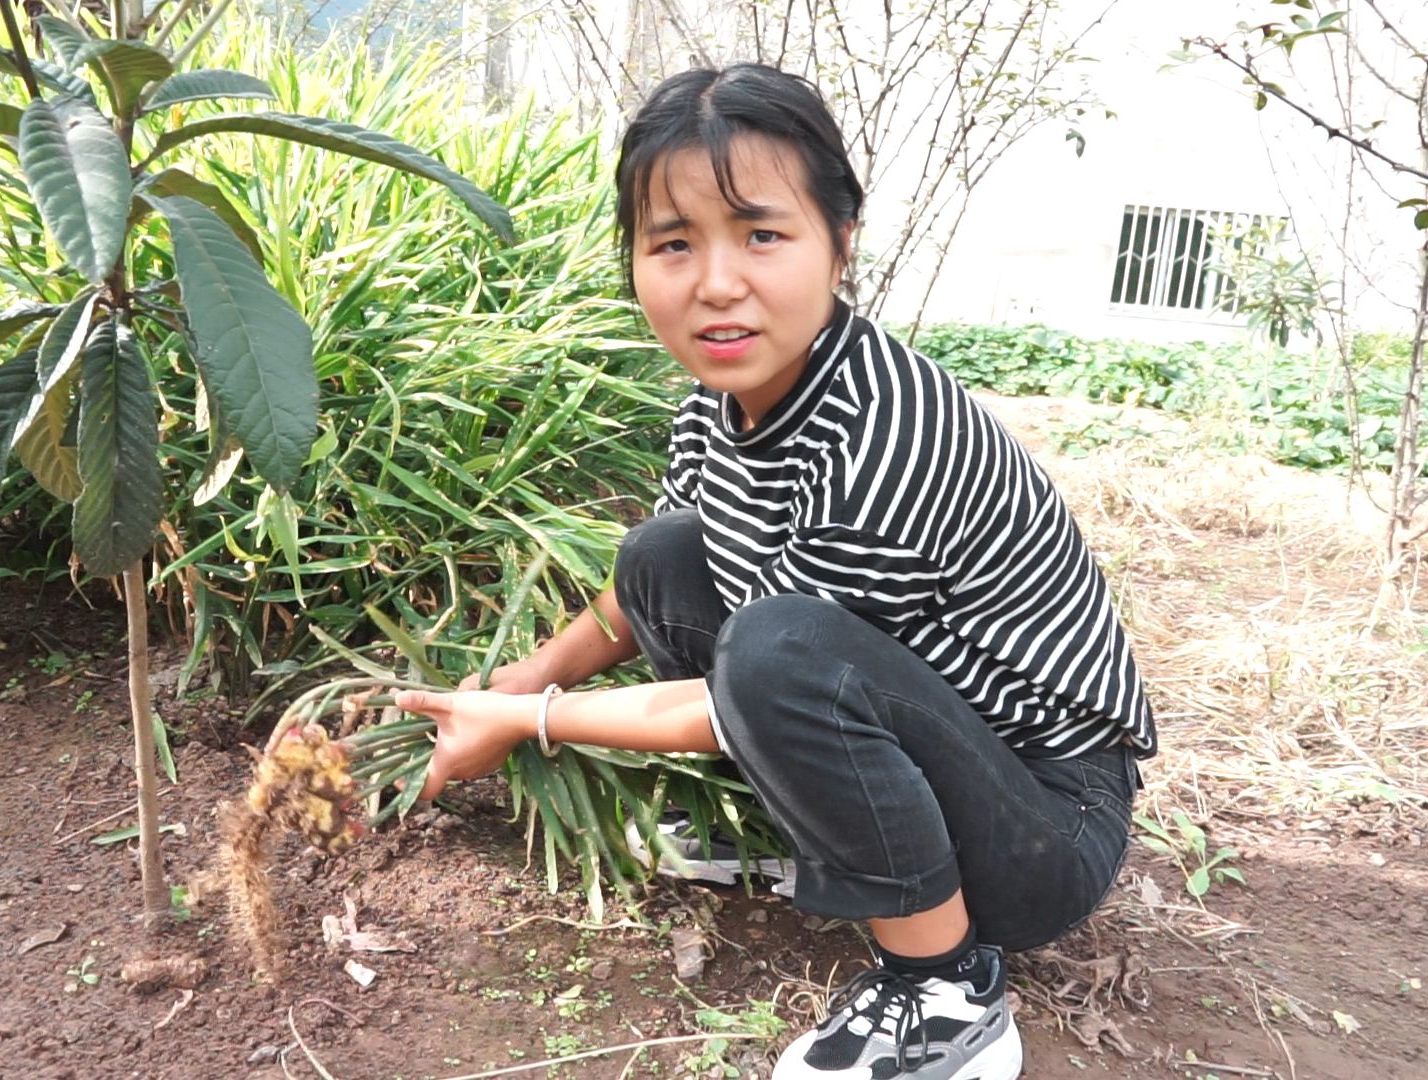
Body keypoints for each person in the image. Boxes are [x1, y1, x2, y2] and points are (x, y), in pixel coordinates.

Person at [390, 63, 1154, 1080]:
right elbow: (641, 598)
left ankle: (946, 992)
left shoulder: (886, 434)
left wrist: (524, 724)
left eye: (760, 234)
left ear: (840, 241)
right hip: (936, 753)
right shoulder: (721, 401)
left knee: (777, 651)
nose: (715, 282)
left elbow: (751, 689)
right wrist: (525, 677)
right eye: (673, 243)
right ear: (635, 259)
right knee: (663, 554)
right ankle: (807, 835)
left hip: (1043, 827)